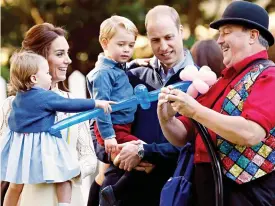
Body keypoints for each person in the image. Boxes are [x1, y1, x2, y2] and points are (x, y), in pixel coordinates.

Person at [157, 1, 275, 206]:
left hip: (247, 194)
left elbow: (251, 133)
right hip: (207, 188)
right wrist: (166, 117)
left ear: (253, 36)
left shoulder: (269, 76)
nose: (219, 40)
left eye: (226, 32)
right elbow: (184, 135)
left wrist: (195, 109)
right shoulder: (221, 81)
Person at [88, 5, 196, 206]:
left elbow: (195, 144)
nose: (163, 47)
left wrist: (146, 153)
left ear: (181, 32)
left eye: (169, 37)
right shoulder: (131, 76)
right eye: (155, 40)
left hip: (173, 190)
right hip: (123, 190)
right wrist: (118, 153)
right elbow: (97, 127)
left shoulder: (199, 82)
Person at [0, 23, 101, 206]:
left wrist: (68, 170)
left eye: (67, 53)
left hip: (71, 199)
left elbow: (89, 158)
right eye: (60, 54)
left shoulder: (73, 104)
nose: (68, 60)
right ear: (39, 59)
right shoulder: (11, 107)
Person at [86, 15, 151, 206]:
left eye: (131, 45)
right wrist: (108, 137)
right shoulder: (102, 74)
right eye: (121, 44)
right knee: (143, 153)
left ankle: (111, 190)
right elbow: (100, 107)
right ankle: (114, 191)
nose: (126, 50)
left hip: (121, 126)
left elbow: (120, 70)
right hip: (112, 127)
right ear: (105, 43)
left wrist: (136, 63)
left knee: (133, 159)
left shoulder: (115, 67)